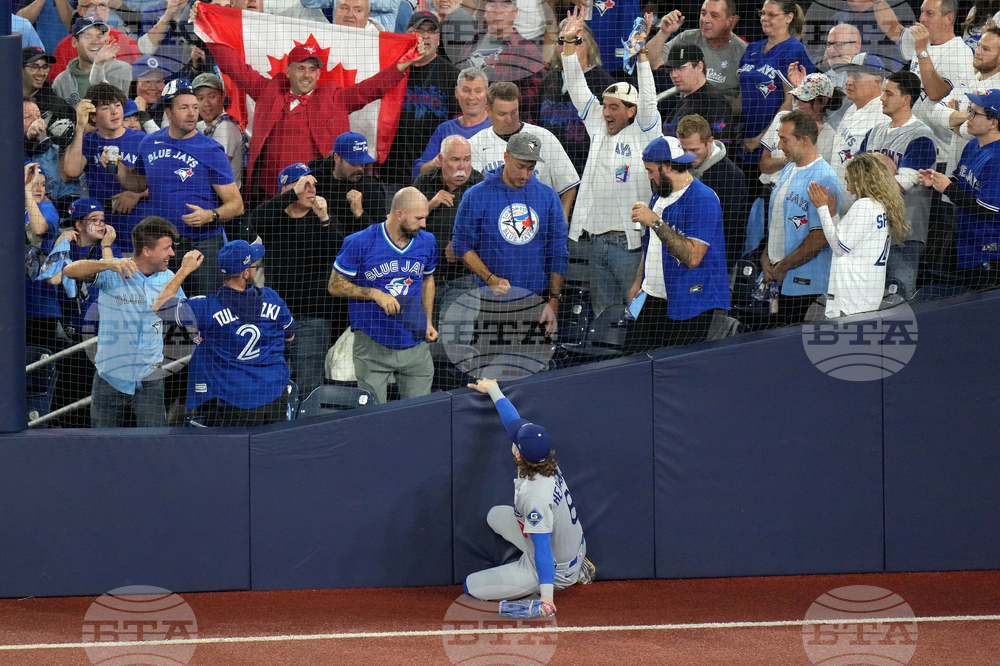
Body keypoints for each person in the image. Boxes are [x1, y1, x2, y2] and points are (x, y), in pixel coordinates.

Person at [198, 3, 426, 201]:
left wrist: (401, 66)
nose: (307, 74)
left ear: (318, 74)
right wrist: (206, 27)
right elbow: (235, 68)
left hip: (316, 193)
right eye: (301, 68)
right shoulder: (269, 90)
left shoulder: (333, 97)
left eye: (312, 69)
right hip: (269, 193)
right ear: (288, 71)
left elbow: (369, 90)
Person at [462, 377, 595, 618]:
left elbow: (542, 546)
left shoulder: (535, 495)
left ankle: (555, 582)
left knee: (471, 586)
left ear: (518, 453)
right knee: (495, 516)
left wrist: (546, 598)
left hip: (552, 567)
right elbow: (513, 422)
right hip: (570, 544)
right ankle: (574, 564)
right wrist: (493, 389)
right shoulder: (546, 461)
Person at [559, 7, 660, 317]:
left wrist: (642, 56)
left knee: (632, 313)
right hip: (596, 242)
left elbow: (649, 100)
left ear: (631, 111)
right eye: (604, 105)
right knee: (602, 316)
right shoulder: (597, 126)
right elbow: (576, 84)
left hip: (628, 246)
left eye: (614, 107)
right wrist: (569, 40)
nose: (605, 112)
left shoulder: (646, 132)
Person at [109, 78, 243, 297]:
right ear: (169, 113)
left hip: (203, 244)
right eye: (184, 108)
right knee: (160, 311)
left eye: (194, 107)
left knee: (203, 310)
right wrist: (117, 168)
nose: (192, 113)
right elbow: (139, 183)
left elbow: (236, 204)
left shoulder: (211, 149)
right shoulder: (149, 143)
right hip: (162, 246)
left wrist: (211, 215)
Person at [152, 240, 296, 427]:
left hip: (234, 400)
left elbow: (160, 307)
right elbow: (290, 336)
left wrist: (184, 269)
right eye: (253, 265)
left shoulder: (206, 307)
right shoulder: (271, 297)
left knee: (234, 455)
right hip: (274, 394)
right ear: (246, 273)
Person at [62, 215, 185, 428]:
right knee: (104, 446)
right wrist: (109, 264)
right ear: (147, 251)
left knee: (153, 447)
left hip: (150, 379)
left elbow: (181, 315)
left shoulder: (169, 277)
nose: (172, 254)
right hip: (109, 378)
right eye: (166, 248)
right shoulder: (114, 272)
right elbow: (69, 271)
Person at [328, 187, 439, 404]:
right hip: (372, 343)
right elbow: (335, 285)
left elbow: (428, 279)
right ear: (400, 215)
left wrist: (427, 321)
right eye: (419, 218)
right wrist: (375, 294)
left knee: (419, 415)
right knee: (375, 420)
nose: (424, 224)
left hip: (414, 343)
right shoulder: (360, 242)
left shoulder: (427, 242)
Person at [452, 131, 569, 329]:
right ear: (506, 157)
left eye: (530, 168)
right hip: (490, 302)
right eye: (520, 167)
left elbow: (558, 251)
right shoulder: (477, 195)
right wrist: (490, 279)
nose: (524, 175)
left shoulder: (548, 198)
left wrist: (554, 298)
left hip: (537, 302)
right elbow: (461, 244)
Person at [249, 164, 347, 397]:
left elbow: (341, 249)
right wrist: (292, 194)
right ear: (287, 190)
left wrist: (325, 218)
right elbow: (256, 218)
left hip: (313, 317)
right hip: (275, 318)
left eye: (313, 184)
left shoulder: (322, 219)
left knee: (309, 387)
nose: (312, 190)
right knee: (270, 384)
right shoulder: (272, 220)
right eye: (304, 185)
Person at [625, 136, 729, 352]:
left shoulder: (703, 199)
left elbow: (693, 257)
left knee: (678, 372)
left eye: (651, 170)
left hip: (690, 302)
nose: (649, 176)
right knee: (633, 363)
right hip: (652, 297)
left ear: (668, 167)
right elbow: (652, 246)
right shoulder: (660, 195)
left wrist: (654, 221)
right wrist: (639, 282)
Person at [762, 110, 844, 326]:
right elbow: (779, 219)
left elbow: (820, 237)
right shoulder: (789, 168)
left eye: (784, 139)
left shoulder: (824, 177)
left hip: (806, 285)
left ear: (805, 140)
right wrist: (767, 255)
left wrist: (783, 266)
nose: (779, 146)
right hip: (780, 276)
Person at [859, 69, 936, 299]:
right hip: (871, 231)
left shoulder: (922, 136)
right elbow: (853, 175)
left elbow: (902, 184)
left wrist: (871, 169)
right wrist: (879, 159)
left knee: (899, 300)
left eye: (888, 93)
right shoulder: (875, 131)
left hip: (904, 234)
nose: (882, 98)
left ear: (906, 100)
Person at [807, 152, 908, 317]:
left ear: (860, 179)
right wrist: (833, 214)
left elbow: (839, 247)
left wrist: (822, 209)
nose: (847, 188)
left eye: (848, 180)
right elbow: (849, 239)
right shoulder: (878, 205)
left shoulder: (864, 206)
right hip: (867, 294)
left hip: (851, 298)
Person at [919, 90, 1000, 290]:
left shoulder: (997, 159)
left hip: (991, 251)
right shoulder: (972, 145)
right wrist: (940, 181)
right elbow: (961, 181)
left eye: (974, 113)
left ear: (994, 122)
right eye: (968, 110)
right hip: (968, 245)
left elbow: (987, 210)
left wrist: (948, 189)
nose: (967, 117)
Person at [469, 81, 579, 225]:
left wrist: (562, 219)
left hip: (541, 226)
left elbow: (568, 184)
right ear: (488, 111)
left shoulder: (544, 137)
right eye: (502, 114)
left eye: (514, 112)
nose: (509, 119)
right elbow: (473, 195)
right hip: (495, 229)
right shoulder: (475, 144)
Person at [61, 81, 148, 254]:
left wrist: (137, 195)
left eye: (117, 105)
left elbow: (162, 183)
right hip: (103, 228)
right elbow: (71, 171)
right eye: (106, 107)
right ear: (93, 117)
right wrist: (80, 127)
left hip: (137, 226)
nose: (115, 111)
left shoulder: (142, 139)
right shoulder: (89, 141)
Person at [380, 11, 460, 186]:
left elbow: (457, 125)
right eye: (419, 30)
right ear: (407, 35)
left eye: (431, 31)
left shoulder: (452, 75)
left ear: (438, 39)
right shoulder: (391, 68)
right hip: (391, 172)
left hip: (434, 175)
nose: (425, 36)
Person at [736, 0, 813, 164]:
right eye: (762, 13)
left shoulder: (795, 51)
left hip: (774, 144)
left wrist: (761, 139)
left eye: (771, 14)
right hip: (743, 138)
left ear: (788, 17)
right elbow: (742, 97)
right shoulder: (752, 49)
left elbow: (791, 101)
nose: (764, 18)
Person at [538, 18, 615, 176]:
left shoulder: (606, 84)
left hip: (588, 171)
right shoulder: (548, 80)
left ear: (590, 47)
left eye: (576, 41)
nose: (568, 46)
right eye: (562, 41)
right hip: (549, 169)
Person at [677, 114, 749, 270]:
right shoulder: (677, 168)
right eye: (684, 149)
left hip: (714, 267)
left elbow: (733, 230)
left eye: (695, 150)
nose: (689, 155)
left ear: (709, 141)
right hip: (680, 260)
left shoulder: (732, 176)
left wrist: (721, 268)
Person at [647, 0, 747, 107]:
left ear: (729, 21)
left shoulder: (743, 52)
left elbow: (742, 102)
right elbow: (651, 62)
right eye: (703, 13)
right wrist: (664, 32)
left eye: (714, 16)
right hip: (686, 111)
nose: (705, 20)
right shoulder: (687, 38)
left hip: (721, 118)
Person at [871, 0, 974, 104]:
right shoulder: (921, 38)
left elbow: (936, 93)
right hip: (910, 116)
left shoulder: (960, 52)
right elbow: (892, 28)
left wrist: (921, 50)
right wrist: (878, 2)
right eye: (922, 12)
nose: (922, 19)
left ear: (949, 18)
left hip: (933, 119)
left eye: (929, 14)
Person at [414, 135, 484, 287]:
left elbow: (491, 234)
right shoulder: (424, 181)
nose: (462, 166)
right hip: (423, 271)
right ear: (440, 159)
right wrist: (430, 205)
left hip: (464, 276)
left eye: (467, 159)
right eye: (455, 159)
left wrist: (463, 247)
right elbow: (403, 225)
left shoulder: (481, 186)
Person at [459, 0, 545, 123]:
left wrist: (495, 103)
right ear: (485, 11)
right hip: (470, 125)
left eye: (505, 5)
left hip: (507, 127)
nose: (498, 11)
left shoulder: (528, 50)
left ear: (515, 12)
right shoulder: (471, 44)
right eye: (492, 5)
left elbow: (534, 96)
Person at [759, 72, 845, 189]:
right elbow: (764, 165)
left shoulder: (831, 137)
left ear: (823, 101)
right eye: (796, 97)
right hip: (768, 191)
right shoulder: (782, 118)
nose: (798, 103)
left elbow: (817, 177)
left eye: (805, 99)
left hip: (798, 197)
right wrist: (787, 159)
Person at [830, 53, 890, 206]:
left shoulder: (883, 116)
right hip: (839, 199)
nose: (848, 82)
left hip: (862, 205)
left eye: (856, 77)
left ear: (877, 81)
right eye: (848, 75)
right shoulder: (851, 109)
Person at [413, 67, 492, 179]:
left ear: (487, 94)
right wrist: (434, 164)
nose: (471, 96)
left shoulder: (500, 127)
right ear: (456, 92)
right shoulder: (444, 129)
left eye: (478, 91)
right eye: (466, 90)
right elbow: (417, 171)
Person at [306, 131, 389, 236]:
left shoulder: (371, 188)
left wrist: (360, 213)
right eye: (353, 163)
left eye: (362, 162)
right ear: (337, 158)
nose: (359, 168)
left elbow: (380, 236)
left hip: (351, 248)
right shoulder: (317, 172)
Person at [52, 16, 133, 108]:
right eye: (88, 37)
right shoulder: (61, 82)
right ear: (74, 42)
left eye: (100, 36)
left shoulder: (124, 71)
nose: (95, 42)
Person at [49, 0, 141, 79]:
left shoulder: (127, 44)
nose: (98, 12)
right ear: (80, 11)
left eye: (102, 5)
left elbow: (138, 84)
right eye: (91, 7)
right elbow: (55, 86)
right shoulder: (65, 46)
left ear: (108, 8)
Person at [659, 44, 732, 139]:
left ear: (699, 67)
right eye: (671, 69)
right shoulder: (683, 101)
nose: (673, 75)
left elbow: (717, 149)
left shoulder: (713, 103)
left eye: (680, 68)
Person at [193, 72, 246, 185]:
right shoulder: (198, 126)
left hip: (224, 197)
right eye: (200, 98)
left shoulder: (226, 127)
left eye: (212, 97)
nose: (206, 104)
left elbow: (215, 169)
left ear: (222, 97)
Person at [22, 47, 74, 126]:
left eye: (45, 67)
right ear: (20, 68)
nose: (42, 73)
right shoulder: (5, 99)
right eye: (35, 67)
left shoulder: (56, 106)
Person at [821, 23, 863, 89]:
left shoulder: (872, 77)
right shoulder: (820, 80)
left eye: (838, 44)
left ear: (856, 47)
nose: (831, 50)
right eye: (829, 44)